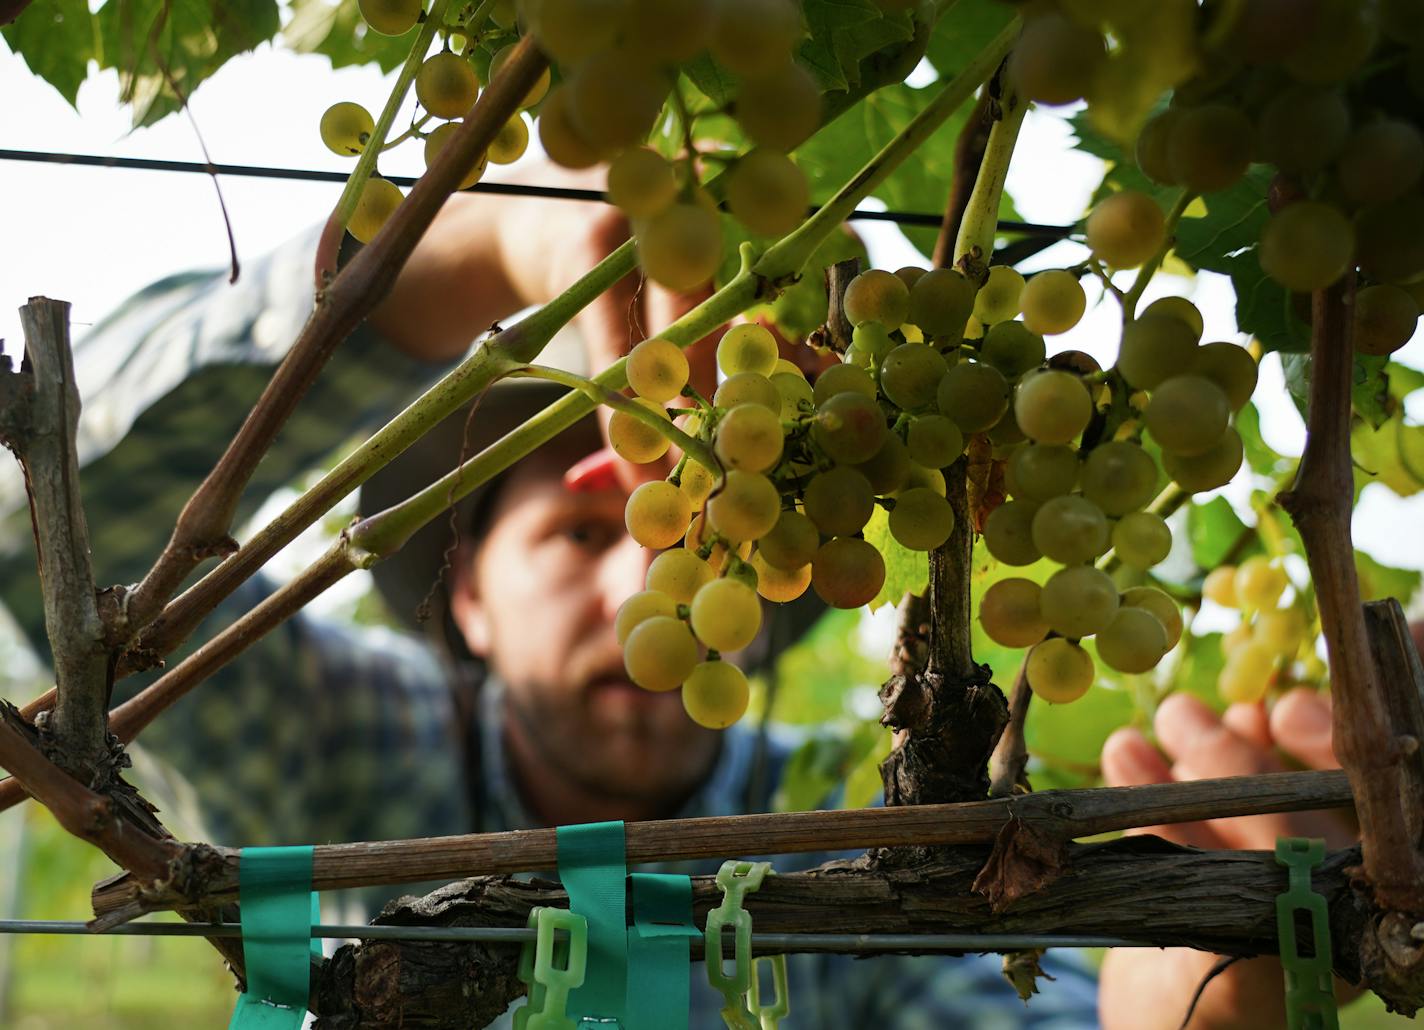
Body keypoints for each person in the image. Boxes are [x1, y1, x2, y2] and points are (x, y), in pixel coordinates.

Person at [0, 167, 1355, 1029]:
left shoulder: (848, 813)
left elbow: (987, 1001)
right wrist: (470, 255)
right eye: (589, 523)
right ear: (463, 598)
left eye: (700, 524)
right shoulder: (355, 745)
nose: (649, 569)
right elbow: (37, 538)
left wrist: (1169, 996)